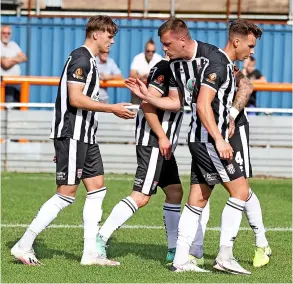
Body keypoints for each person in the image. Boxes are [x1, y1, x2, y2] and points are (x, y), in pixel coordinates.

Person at [127, 18, 270, 274]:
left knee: (197, 200)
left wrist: (150, 97)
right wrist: (219, 139)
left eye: (167, 44)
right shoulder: (216, 63)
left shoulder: (214, 60)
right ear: (236, 41)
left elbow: (191, 101)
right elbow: (202, 105)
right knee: (240, 192)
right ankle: (225, 256)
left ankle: (180, 259)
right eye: (250, 45)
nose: (252, 51)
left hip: (203, 137)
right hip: (208, 140)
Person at [10, 15, 136, 266]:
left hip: (85, 136)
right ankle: (23, 245)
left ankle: (90, 253)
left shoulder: (89, 60)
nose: (112, 42)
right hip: (73, 135)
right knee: (66, 194)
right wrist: (112, 108)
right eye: (110, 36)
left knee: (98, 189)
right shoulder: (81, 58)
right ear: (97, 34)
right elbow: (76, 99)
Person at [94, 54, 191, 265]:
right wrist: (163, 137)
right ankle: (99, 240)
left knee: (175, 192)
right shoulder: (165, 68)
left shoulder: (182, 70)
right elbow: (147, 105)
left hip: (164, 144)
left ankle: (173, 250)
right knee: (141, 196)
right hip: (155, 142)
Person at [129, 39, 162, 104]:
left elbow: (162, 76)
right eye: (148, 51)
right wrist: (142, 76)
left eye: (153, 51)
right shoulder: (138, 58)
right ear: (145, 50)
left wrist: (150, 77)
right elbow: (131, 74)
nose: (150, 53)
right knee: (135, 112)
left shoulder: (158, 58)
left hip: (153, 93)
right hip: (138, 92)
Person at [1, 24, 27, 103]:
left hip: (16, 84)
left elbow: (24, 57)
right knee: (7, 110)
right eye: (4, 33)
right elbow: (5, 64)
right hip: (4, 85)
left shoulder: (13, 45)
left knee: (17, 107)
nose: (6, 35)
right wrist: (16, 58)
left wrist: (10, 59)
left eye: (8, 33)